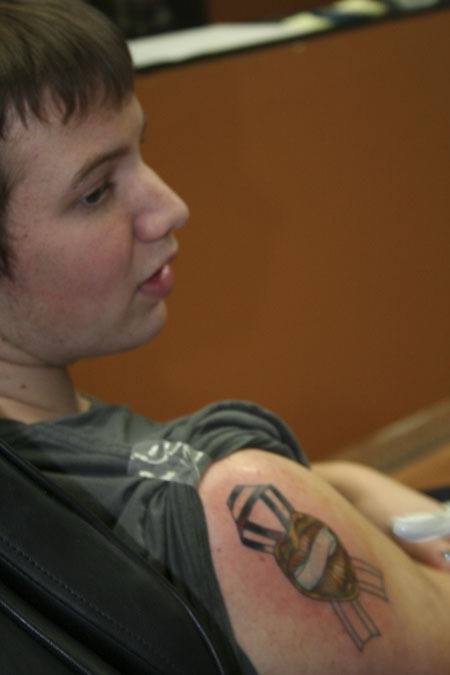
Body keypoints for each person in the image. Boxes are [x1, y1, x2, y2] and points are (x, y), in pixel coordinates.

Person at [0, 1, 448, 673]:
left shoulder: (45, 445)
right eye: (95, 192)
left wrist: (352, 484)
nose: (169, 206)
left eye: (140, 153)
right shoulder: (236, 518)